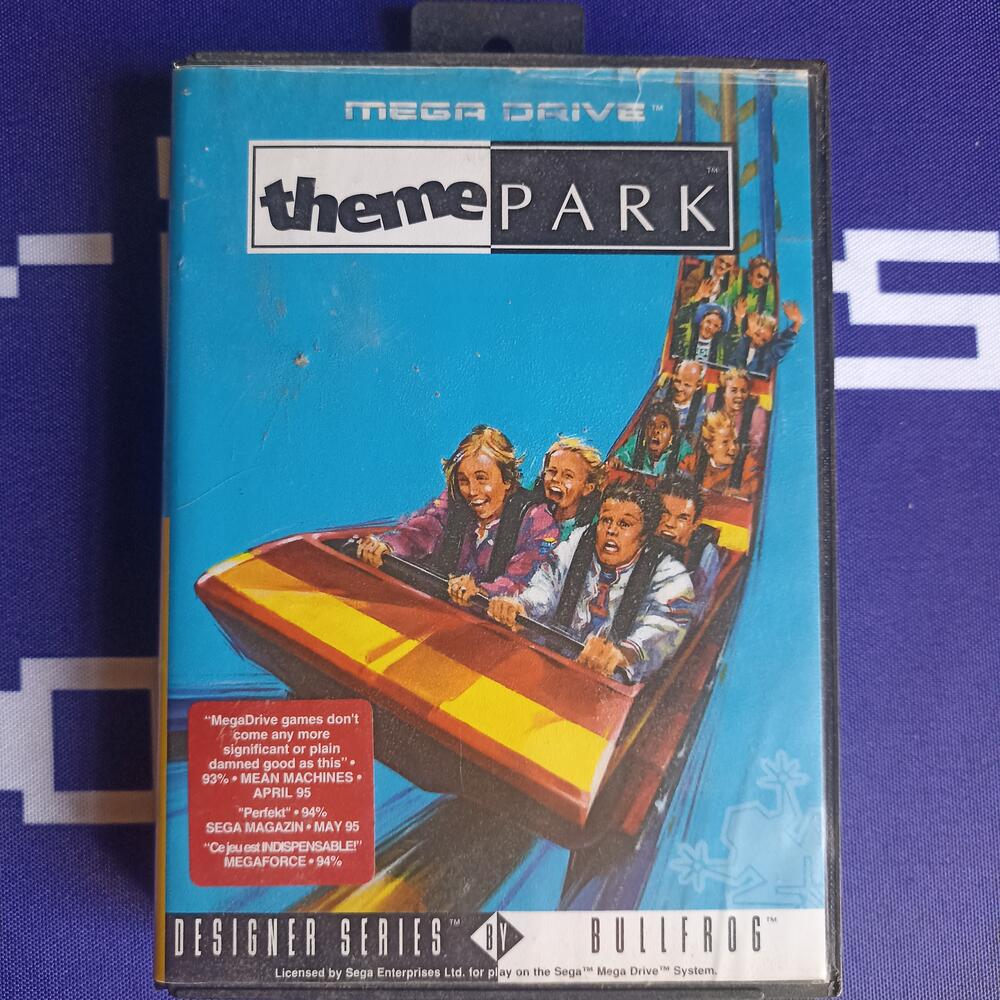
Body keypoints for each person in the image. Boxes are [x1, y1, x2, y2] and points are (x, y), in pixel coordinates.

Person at [487, 483, 694, 685]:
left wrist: (623, 653)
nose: (611, 530)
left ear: (644, 536)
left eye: (624, 524)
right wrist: (520, 605)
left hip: (608, 683)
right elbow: (546, 586)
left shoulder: (669, 573)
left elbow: (663, 629)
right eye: (606, 520)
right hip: (553, 665)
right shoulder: (579, 541)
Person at [357, 425, 557, 604]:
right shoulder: (453, 502)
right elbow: (421, 530)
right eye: (463, 481)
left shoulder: (536, 519)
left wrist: (481, 591)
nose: (472, 491)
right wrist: (387, 545)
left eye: (481, 478)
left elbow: (522, 579)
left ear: (507, 480)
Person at [656, 477, 722, 621]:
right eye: (663, 513)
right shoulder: (639, 539)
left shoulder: (705, 553)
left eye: (682, 518)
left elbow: (701, 608)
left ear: (695, 524)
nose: (670, 523)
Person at [679, 411, 761, 498]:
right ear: (708, 447)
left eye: (735, 441)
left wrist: (741, 492)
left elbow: (756, 484)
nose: (733, 447)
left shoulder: (746, 462)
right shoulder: (693, 461)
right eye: (725, 442)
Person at [539, 437, 605, 542]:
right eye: (552, 471)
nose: (556, 479)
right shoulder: (532, 515)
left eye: (568, 476)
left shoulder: (588, 530)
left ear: (588, 488)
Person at [608, 401, 686, 476]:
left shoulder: (680, 450)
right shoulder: (635, 444)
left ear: (672, 435)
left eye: (662, 426)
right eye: (651, 424)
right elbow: (619, 457)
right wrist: (615, 461)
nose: (655, 430)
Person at [728, 301, 804, 374]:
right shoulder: (740, 344)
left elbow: (784, 343)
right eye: (757, 334)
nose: (759, 341)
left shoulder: (767, 355)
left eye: (764, 340)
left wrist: (797, 323)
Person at [709, 367, 767, 454]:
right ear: (724, 392)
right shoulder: (712, 401)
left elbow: (756, 450)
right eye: (734, 390)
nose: (739, 395)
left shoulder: (757, 414)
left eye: (743, 391)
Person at [671, 302, 738, 366]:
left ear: (719, 330)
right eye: (708, 322)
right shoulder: (687, 338)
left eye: (716, 326)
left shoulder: (719, 349)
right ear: (701, 321)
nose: (710, 327)